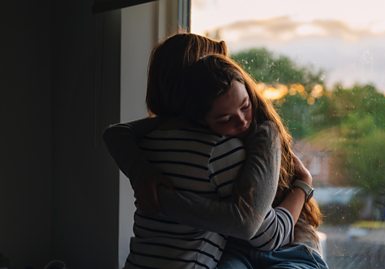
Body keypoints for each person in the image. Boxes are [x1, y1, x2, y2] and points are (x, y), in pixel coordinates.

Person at [103, 33, 326, 269]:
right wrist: (303, 184)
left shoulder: (145, 142)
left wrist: (143, 176)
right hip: (279, 243)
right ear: (194, 91)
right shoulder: (220, 151)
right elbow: (268, 235)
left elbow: (115, 133)